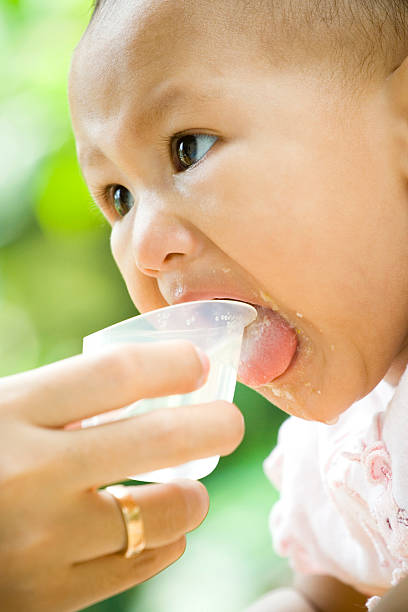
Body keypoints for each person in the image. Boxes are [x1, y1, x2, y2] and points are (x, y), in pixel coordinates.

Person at [2, 0, 408, 610]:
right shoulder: (329, 453)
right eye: (118, 198)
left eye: (187, 148)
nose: (143, 249)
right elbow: (329, 597)